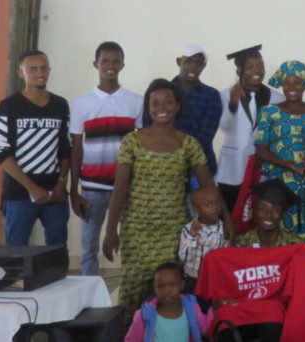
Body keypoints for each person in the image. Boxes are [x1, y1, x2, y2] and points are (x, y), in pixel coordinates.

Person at [103, 79, 231, 318]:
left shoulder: (189, 144)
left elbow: (208, 185)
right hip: (136, 231)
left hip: (173, 232)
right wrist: (111, 231)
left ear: (177, 106)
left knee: (169, 293)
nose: (162, 107)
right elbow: (120, 188)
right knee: (132, 292)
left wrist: (228, 220)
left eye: (168, 102)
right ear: (148, 107)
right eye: (155, 103)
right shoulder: (132, 141)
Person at [68, 42, 143, 276]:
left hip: (127, 187)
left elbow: (140, 146)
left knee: (131, 242)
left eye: (116, 61)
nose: (111, 66)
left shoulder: (136, 101)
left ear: (122, 64)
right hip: (92, 188)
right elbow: (77, 148)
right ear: (96, 64)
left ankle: (130, 291)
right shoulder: (81, 103)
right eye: (105, 61)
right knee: (89, 248)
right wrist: (73, 190)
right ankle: (91, 297)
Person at [0, 50, 71, 247]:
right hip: (19, 194)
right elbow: (0, 151)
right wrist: (31, 188)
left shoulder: (60, 105)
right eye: (32, 69)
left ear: (49, 70)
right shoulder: (8, 106)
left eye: (43, 68)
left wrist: (62, 182)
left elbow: (66, 148)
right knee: (16, 254)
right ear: (21, 73)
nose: (39, 73)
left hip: (55, 193)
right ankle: (16, 281)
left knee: (58, 252)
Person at [255, 60, 305, 238]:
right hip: (281, 181)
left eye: (297, 82)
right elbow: (261, 150)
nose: (291, 87)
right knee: (282, 222)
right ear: (282, 85)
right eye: (287, 82)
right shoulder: (269, 112)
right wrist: (285, 164)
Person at [217, 44, 283, 210]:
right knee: (231, 215)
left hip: (262, 171)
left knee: (258, 215)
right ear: (239, 71)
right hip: (232, 170)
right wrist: (233, 104)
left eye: (260, 66)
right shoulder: (224, 96)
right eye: (250, 67)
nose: (257, 70)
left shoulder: (277, 98)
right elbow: (223, 126)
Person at [143, 45, 223, 176]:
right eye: (189, 61)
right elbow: (148, 128)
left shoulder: (211, 95)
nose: (193, 66)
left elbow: (205, 136)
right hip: (162, 167)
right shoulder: (160, 93)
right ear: (179, 62)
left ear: (204, 66)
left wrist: (179, 160)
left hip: (200, 170)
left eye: (198, 62)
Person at [125, 262, 212, 342]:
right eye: (161, 286)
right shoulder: (144, 315)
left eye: (172, 285)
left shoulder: (191, 308)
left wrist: (214, 310)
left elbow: (204, 328)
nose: (166, 291)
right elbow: (131, 339)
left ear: (182, 285)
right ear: (154, 288)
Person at [177, 186, 226, 296]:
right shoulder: (188, 229)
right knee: (195, 308)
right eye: (209, 205)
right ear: (196, 209)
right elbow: (184, 257)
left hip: (214, 279)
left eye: (217, 203)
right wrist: (192, 236)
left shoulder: (223, 228)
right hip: (193, 279)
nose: (215, 208)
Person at [232, 178, 305, 247]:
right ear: (256, 210)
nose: (268, 215)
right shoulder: (241, 244)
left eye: (276, 210)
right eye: (263, 209)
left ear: (283, 214)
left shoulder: (294, 245)